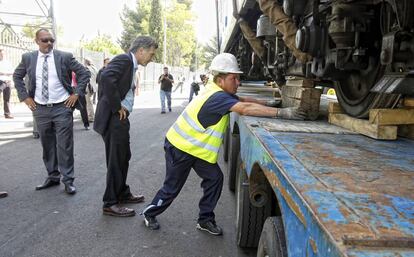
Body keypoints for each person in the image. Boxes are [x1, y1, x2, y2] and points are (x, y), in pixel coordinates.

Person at [142, 53, 306, 235]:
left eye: (238, 78)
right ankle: (149, 213)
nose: (238, 82)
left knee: (215, 178)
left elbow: (243, 101)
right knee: (172, 188)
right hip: (180, 147)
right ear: (220, 80)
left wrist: (272, 103)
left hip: (196, 149)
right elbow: (244, 108)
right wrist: (283, 113)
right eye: (233, 78)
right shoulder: (217, 97)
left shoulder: (219, 92)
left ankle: (205, 220)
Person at [13, 28, 90, 195]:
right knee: (47, 145)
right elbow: (17, 76)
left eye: (51, 40)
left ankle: (68, 180)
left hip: (62, 107)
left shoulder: (64, 56)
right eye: (45, 40)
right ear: (37, 41)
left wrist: (76, 93)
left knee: (65, 145)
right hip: (39, 108)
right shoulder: (28, 58)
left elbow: (84, 73)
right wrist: (25, 97)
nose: (49, 43)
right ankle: (52, 176)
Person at [93, 36, 158, 217]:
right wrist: (117, 106)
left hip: (120, 118)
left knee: (123, 157)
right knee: (116, 160)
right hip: (114, 118)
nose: (151, 58)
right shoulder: (124, 59)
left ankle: (122, 192)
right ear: (141, 50)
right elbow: (105, 77)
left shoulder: (131, 64)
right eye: (151, 54)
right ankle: (110, 203)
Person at [0, 49, 14, 119]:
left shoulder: (8, 63)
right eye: (1, 54)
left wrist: (4, 73)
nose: (2, 55)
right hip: (0, 81)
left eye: (3, 54)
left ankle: (7, 114)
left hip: (8, 81)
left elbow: (12, 71)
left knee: (7, 99)